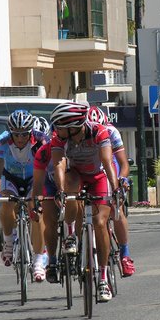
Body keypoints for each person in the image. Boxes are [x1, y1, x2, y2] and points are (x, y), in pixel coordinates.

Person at [50, 102, 121, 302]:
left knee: (100, 224)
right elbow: (58, 164)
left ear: (74, 125)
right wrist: (61, 192)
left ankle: (103, 278)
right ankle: (71, 233)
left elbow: (107, 162)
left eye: (60, 125)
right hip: (76, 176)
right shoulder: (59, 138)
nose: (57, 130)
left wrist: (115, 190)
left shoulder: (98, 131)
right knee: (70, 184)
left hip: (98, 177)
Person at [0, 109, 48, 280]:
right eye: (16, 134)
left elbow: (48, 167)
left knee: (37, 212)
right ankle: (8, 240)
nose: (21, 138)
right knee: (6, 203)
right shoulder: (1, 142)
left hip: (34, 179)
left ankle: (38, 260)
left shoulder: (41, 140)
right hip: (12, 178)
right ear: (11, 133)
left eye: (24, 134)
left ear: (30, 132)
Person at [87, 107, 135, 277]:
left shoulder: (111, 131)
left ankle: (125, 254)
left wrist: (121, 180)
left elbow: (123, 163)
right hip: (90, 169)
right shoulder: (81, 133)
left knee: (117, 208)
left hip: (109, 167)